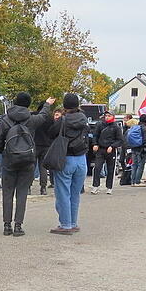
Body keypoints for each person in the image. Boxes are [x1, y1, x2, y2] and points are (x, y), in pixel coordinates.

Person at [0, 92, 54, 236]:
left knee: (7, 192)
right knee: (22, 193)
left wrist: (3, 153)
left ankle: (6, 225)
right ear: (28, 104)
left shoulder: (5, 120)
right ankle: (18, 225)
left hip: (9, 159)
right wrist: (47, 104)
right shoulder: (32, 120)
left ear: (15, 102)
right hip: (27, 160)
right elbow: (44, 115)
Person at [49, 93, 90, 234]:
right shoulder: (84, 119)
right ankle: (73, 222)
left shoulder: (62, 120)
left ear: (65, 106)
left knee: (63, 193)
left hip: (66, 158)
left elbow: (51, 133)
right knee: (75, 193)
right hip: (81, 159)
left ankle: (65, 224)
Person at [90, 111, 123, 195]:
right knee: (97, 167)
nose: (107, 117)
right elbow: (95, 135)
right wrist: (95, 144)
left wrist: (112, 146)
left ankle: (109, 187)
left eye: (109, 116)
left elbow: (120, 140)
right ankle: (95, 186)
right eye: (106, 116)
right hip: (100, 149)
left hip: (111, 150)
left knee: (110, 169)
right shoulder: (100, 124)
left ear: (113, 117)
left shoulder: (116, 127)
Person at [34, 102, 56, 195]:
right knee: (43, 167)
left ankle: (28, 188)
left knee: (31, 167)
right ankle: (43, 188)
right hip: (46, 145)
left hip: (34, 144)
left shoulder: (34, 116)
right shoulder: (50, 118)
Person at [127, 114, 146, 187]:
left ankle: (132, 181)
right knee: (140, 165)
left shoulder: (135, 127)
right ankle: (137, 181)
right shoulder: (145, 128)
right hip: (140, 149)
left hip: (133, 148)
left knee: (134, 165)